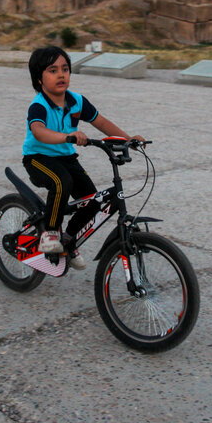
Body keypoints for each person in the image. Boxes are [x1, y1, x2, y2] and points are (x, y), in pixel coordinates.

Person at [23, 46, 145, 270]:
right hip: (38, 158)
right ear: (39, 79)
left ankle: (68, 240)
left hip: (67, 158)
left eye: (65, 69)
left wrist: (128, 140)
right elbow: (39, 131)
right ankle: (50, 234)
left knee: (93, 201)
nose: (61, 74)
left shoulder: (77, 101)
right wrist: (67, 136)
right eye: (52, 70)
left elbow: (101, 122)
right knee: (62, 183)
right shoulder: (39, 105)